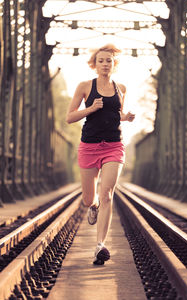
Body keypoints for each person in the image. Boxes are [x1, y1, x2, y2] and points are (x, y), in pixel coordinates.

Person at [66, 44, 135, 265]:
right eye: (101, 60)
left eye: (109, 60)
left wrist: (127, 117)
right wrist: (90, 108)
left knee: (107, 194)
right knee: (90, 198)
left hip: (114, 145)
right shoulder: (85, 86)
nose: (106, 64)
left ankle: (99, 246)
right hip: (89, 146)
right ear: (94, 64)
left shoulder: (121, 88)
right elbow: (70, 117)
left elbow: (116, 113)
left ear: (114, 64)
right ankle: (93, 207)